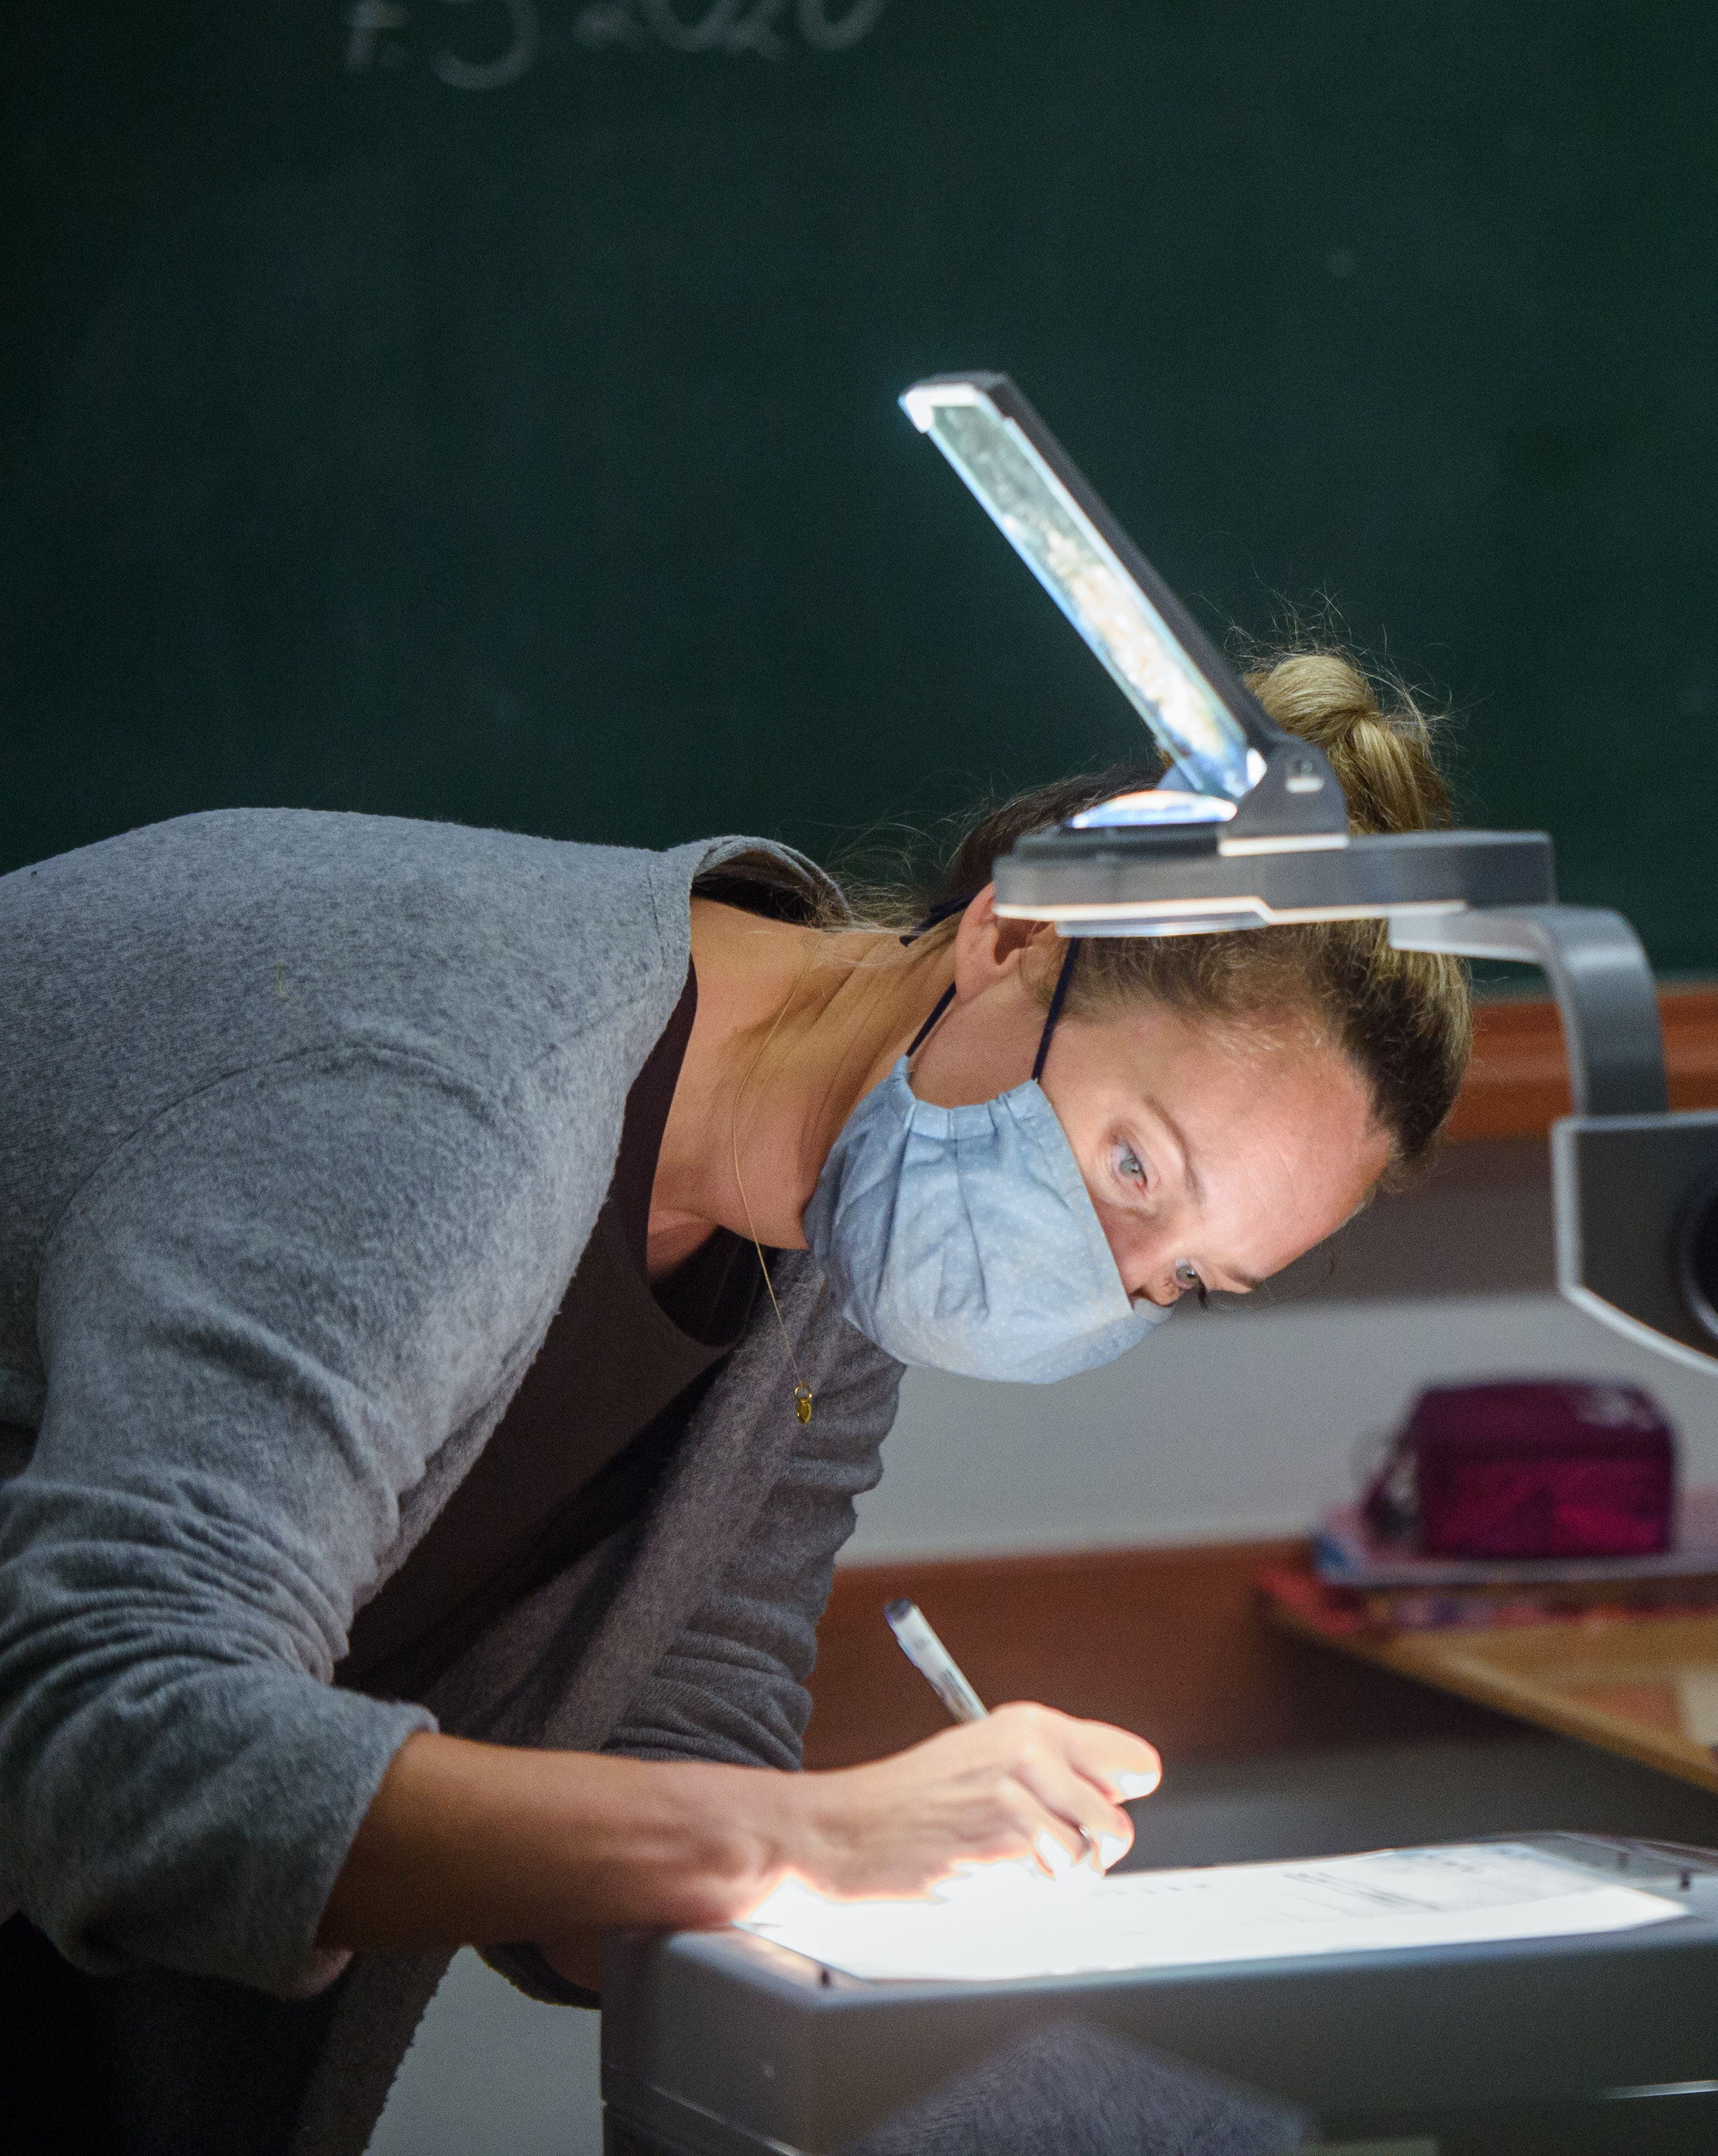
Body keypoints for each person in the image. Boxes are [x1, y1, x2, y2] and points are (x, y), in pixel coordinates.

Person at [0, 650, 1474, 2156]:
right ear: (1015, 937)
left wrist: (875, 1908)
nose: (1111, 1275)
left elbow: (664, 1770)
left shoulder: (841, 1243)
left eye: (1187, 1282)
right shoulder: (455, 1090)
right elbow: (113, 1746)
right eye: (1134, 1168)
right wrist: (802, 1837)